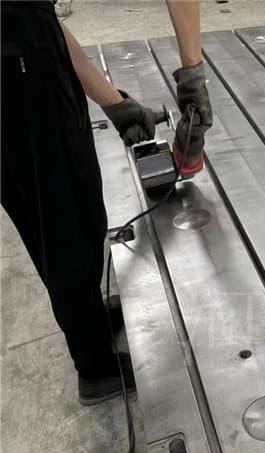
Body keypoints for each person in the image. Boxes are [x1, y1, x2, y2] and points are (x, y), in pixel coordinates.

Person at [1, 0, 212, 405]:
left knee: (73, 200)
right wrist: (193, 78)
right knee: (59, 211)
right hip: (14, 70)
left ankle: (90, 319)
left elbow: (40, 22)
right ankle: (95, 366)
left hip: (21, 49)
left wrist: (114, 102)